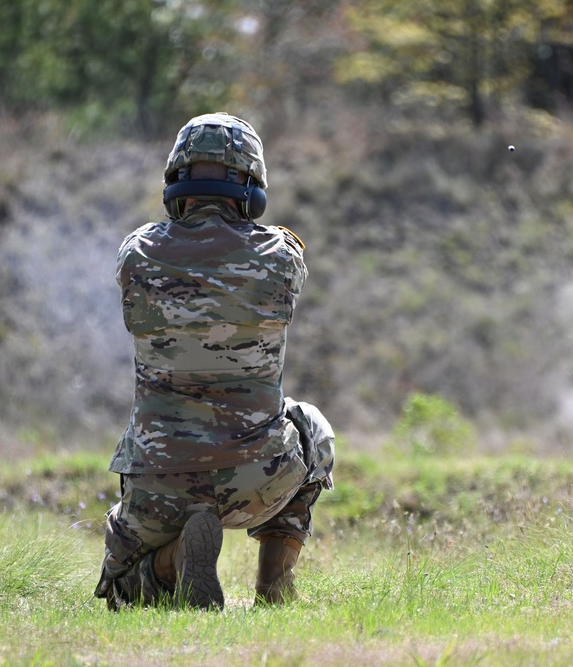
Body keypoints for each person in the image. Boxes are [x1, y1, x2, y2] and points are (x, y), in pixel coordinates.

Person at [93, 112, 335, 611]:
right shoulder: (282, 255)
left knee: (120, 591)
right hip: (258, 477)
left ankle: (174, 559)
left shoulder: (136, 253)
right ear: (253, 188)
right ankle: (274, 583)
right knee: (311, 426)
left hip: (159, 480)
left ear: (176, 183)